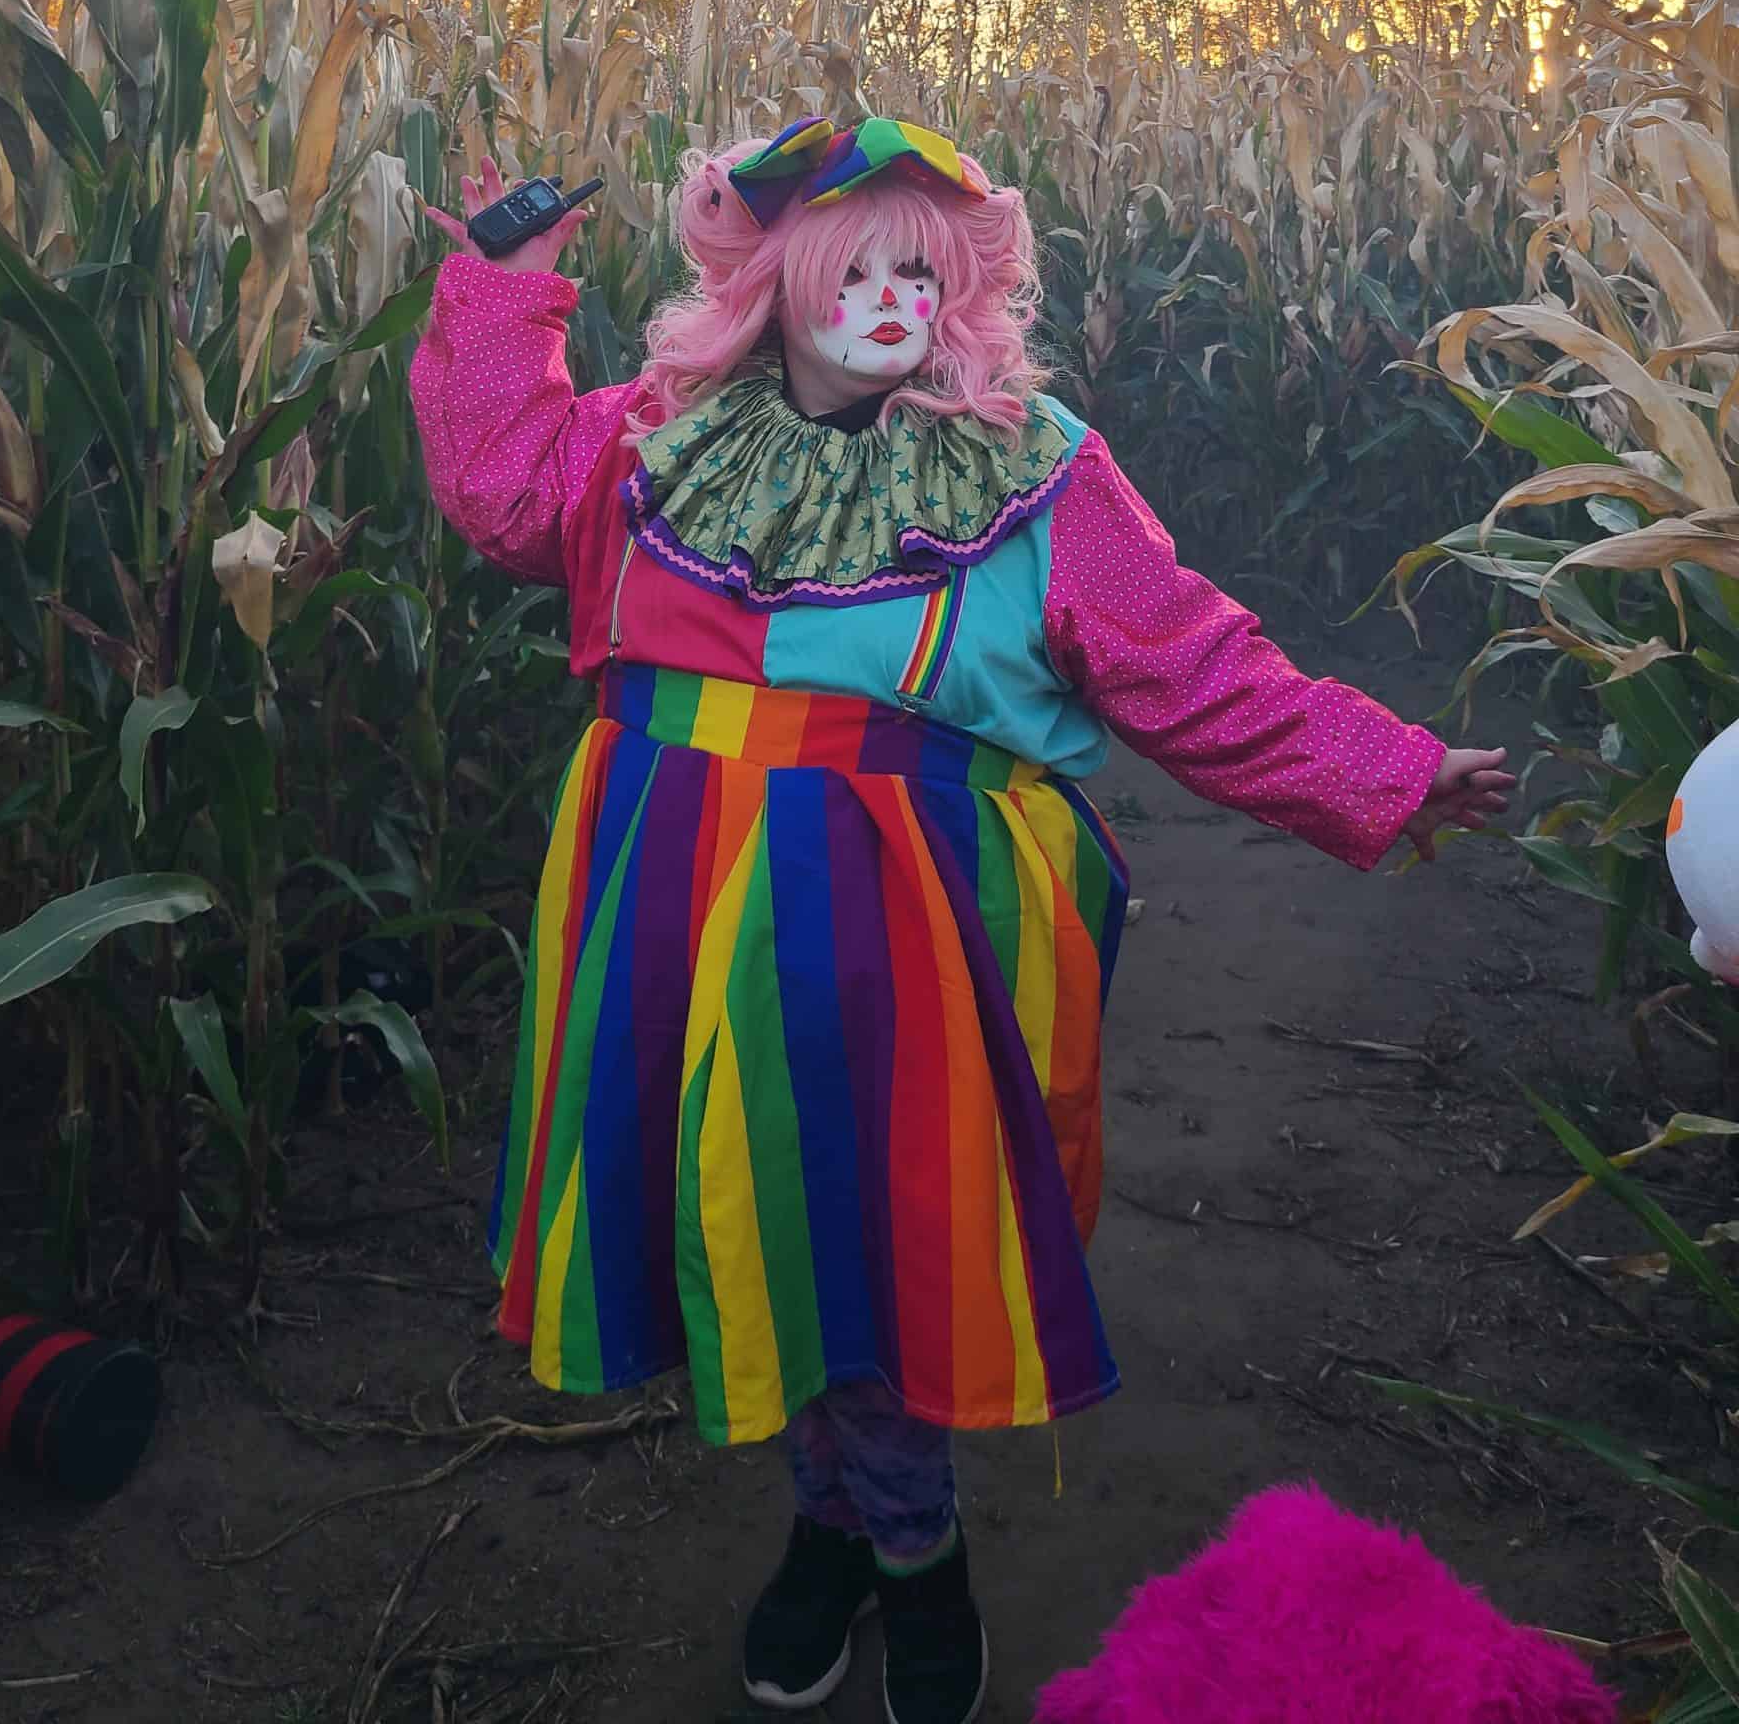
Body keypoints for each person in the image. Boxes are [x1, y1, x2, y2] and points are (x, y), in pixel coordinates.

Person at [409, 117, 1511, 1724]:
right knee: (753, 1228)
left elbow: (1191, 667)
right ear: (773, 285)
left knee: (871, 1247)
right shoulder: (645, 442)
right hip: (670, 903)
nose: (887, 297)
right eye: (851, 266)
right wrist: (504, 295)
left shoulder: (1033, 466)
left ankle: (905, 1557)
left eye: (919, 268)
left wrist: (1390, 770)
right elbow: (498, 492)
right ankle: (840, 1532)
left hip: (903, 930)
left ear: (963, 289)